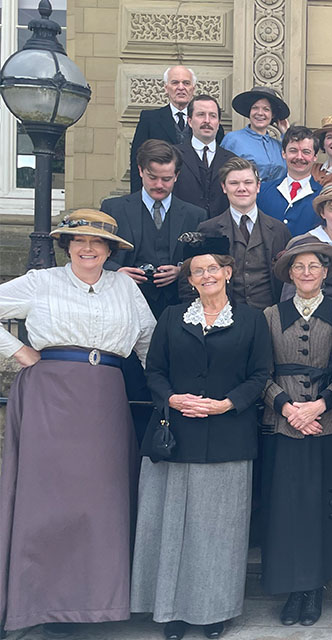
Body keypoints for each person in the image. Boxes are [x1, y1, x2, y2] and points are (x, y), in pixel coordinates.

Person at [0, 210, 155, 638]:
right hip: (49, 394)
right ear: (67, 246)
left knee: (100, 501)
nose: (88, 248)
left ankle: (95, 602)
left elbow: (149, 342)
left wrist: (171, 391)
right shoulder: (41, 282)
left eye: (97, 242)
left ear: (109, 250)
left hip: (105, 398)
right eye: (79, 241)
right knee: (48, 500)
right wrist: (18, 351)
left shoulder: (124, 287)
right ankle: (44, 604)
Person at [132, 232, 273, 640]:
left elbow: (260, 374)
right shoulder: (172, 317)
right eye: (198, 270)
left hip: (229, 435)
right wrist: (172, 399)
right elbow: (154, 371)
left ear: (228, 272)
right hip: (175, 435)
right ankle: (172, 611)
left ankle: (213, 611)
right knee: (171, 527)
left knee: (218, 531)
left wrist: (227, 404)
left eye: (213, 268)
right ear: (190, 279)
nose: (207, 275)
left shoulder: (252, 320)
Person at [260, 234, 332, 627]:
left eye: (314, 265)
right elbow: (259, 373)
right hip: (283, 424)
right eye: (299, 266)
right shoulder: (270, 315)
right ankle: (291, 589)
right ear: (289, 274)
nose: (306, 272)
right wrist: (287, 407)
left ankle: (314, 587)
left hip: (326, 423)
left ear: (325, 271)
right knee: (286, 508)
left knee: (321, 507)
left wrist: (320, 405)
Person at [103, 139, 206, 317]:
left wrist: (181, 270)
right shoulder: (113, 209)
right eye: (152, 177)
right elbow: (96, 255)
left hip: (178, 308)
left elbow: (205, 261)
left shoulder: (196, 215)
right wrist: (117, 272)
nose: (159, 185)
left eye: (166, 179)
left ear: (176, 175)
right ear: (140, 171)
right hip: (124, 305)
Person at [197, 157, 292, 309]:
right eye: (234, 183)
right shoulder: (209, 230)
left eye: (248, 182)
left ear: (258, 186)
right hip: (225, 315)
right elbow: (195, 278)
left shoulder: (279, 230)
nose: (242, 188)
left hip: (270, 314)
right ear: (224, 187)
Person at [130, 66, 223, 192]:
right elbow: (137, 160)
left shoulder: (210, 124)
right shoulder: (150, 119)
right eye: (175, 83)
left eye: (186, 83)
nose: (181, 87)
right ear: (166, 88)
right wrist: (137, 197)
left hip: (195, 194)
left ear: (193, 88)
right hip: (160, 190)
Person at [172, 94, 237, 218]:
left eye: (213, 116)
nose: (207, 120)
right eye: (201, 114)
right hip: (183, 225)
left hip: (220, 228)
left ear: (218, 122)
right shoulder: (173, 155)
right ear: (189, 121)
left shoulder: (232, 160)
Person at [257, 126, 323, 236]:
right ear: (283, 153)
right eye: (293, 151)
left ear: (315, 157)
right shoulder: (262, 191)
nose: (299, 157)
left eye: (306, 152)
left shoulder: (323, 196)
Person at [220, 86, 290, 182]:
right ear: (249, 112)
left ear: (273, 115)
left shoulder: (279, 146)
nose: (260, 113)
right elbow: (222, 174)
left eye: (266, 109)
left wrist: (286, 132)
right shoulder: (233, 139)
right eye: (255, 108)